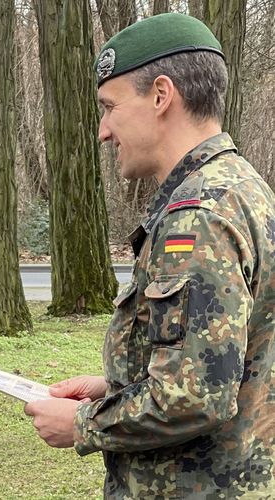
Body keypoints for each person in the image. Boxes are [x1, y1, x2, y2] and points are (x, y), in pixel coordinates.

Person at [24, 13, 275, 498]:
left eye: (110, 107)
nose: (103, 131)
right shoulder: (245, 188)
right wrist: (116, 383)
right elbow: (229, 361)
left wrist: (83, 423)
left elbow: (195, 396)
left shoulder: (197, 217)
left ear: (161, 96)